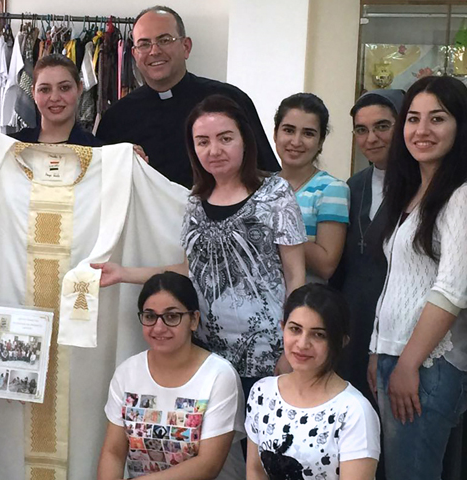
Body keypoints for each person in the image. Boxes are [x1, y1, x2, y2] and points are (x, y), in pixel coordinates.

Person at [96, 94, 306, 399]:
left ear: (245, 140)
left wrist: (292, 345)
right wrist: (123, 273)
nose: (214, 150)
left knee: (256, 446)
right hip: (204, 354)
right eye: (203, 141)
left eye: (225, 138)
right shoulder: (195, 200)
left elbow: (296, 276)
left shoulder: (275, 192)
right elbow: (191, 270)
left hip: (267, 355)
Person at [368, 75, 467, 480]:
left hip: (431, 362)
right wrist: (379, 350)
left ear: (460, 126)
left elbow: (451, 290)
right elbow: (396, 282)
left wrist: (407, 363)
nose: (422, 130)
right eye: (413, 118)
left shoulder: (465, 194)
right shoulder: (413, 191)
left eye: (438, 118)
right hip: (399, 356)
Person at [96, 6, 280, 188]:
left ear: (186, 47)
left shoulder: (230, 100)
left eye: (164, 40)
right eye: (144, 44)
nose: (154, 51)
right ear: (135, 54)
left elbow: (266, 176)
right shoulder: (116, 118)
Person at [98, 272, 246, 480]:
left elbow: (207, 465)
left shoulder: (219, 376)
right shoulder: (127, 372)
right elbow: (113, 452)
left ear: (193, 320)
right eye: (150, 316)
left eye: (171, 316)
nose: (159, 327)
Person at [246, 283, 380, 480]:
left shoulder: (353, 411)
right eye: (295, 329)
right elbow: (256, 471)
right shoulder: (262, 393)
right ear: (282, 328)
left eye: (318, 334)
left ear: (340, 341)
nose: (302, 344)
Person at [331, 89, 404, 404]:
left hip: (399, 324)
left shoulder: (423, 186)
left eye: (382, 126)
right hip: (355, 319)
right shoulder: (352, 186)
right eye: (361, 129)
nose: (371, 138)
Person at [274, 93, 350, 284]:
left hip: (303, 305)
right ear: (275, 134)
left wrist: (274, 225)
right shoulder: (260, 187)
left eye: (308, 133)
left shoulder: (332, 189)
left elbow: (326, 266)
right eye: (289, 130)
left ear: (321, 142)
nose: (296, 141)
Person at [0, 54, 103, 147]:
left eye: (64, 88)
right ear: (33, 93)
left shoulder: (99, 153)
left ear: (79, 89)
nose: (55, 98)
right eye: (45, 89)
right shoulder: (9, 147)